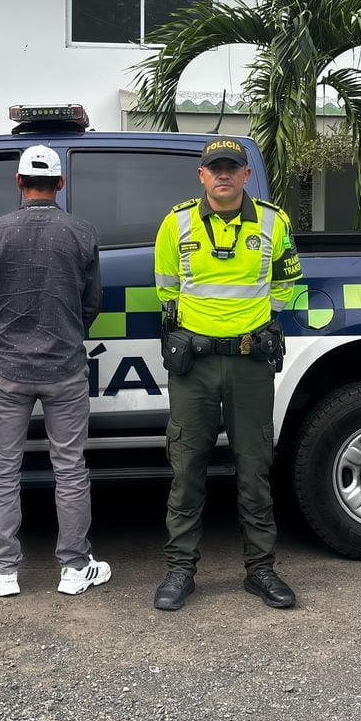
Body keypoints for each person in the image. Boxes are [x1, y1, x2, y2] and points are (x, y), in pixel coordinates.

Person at [151, 137, 302, 612]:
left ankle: (261, 570)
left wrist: (255, 327)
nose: (222, 175)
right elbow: (167, 290)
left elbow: (285, 284)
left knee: (254, 467)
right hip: (193, 365)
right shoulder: (176, 223)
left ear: (245, 175)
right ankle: (180, 570)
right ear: (201, 175)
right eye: (214, 167)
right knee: (187, 468)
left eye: (231, 168)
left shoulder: (274, 221)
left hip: (250, 363)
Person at [0, 143, 109, 597]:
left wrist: (14, 333)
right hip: (65, 368)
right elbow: (92, 303)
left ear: (18, 182)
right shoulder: (82, 232)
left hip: (9, 368)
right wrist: (68, 333)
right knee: (70, 468)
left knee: (3, 469)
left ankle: (4, 568)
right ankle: (74, 568)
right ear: (60, 183)